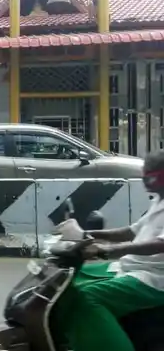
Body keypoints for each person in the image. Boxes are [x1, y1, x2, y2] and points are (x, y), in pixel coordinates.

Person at [51, 150, 164, 351]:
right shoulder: (159, 200)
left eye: (151, 177)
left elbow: (158, 244)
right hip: (131, 268)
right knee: (67, 283)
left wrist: (104, 251)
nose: (145, 182)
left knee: (87, 296)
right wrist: (85, 234)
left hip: (155, 280)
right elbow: (130, 231)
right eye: (144, 176)